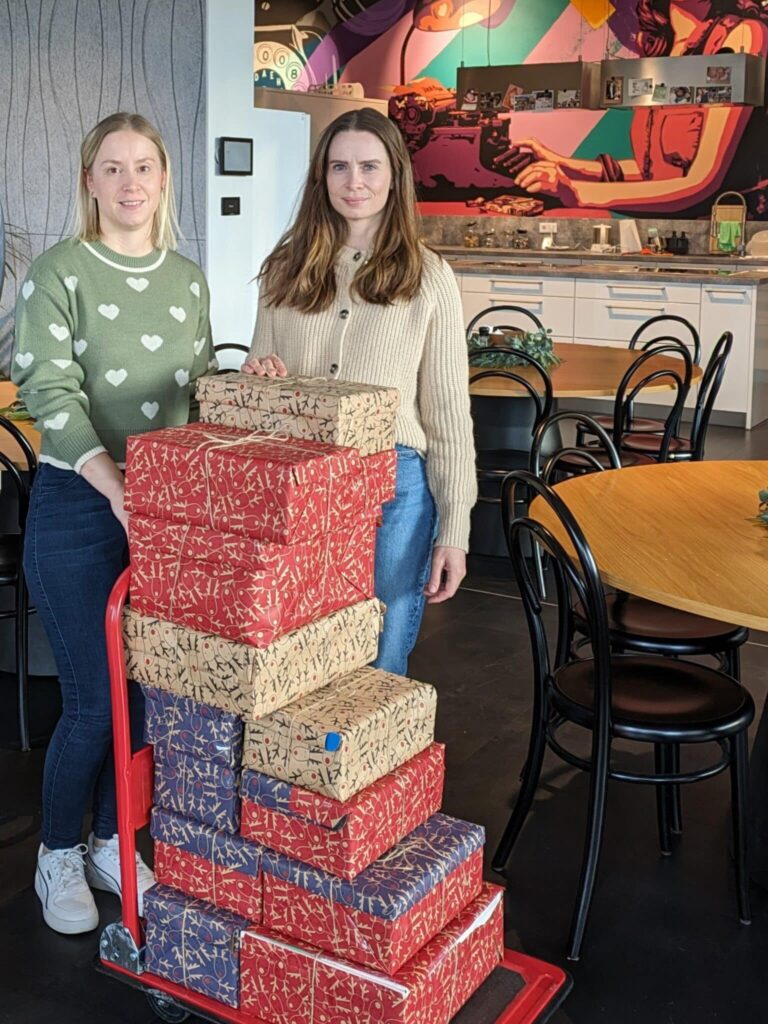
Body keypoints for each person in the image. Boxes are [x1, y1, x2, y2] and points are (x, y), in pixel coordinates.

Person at [12, 112, 215, 935]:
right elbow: (48, 390)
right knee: (95, 703)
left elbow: (195, 393)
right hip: (77, 503)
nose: (130, 183)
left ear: (163, 180)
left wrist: (244, 382)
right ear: (89, 181)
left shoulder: (188, 279)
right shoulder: (59, 271)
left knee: (138, 698)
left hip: (158, 508)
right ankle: (56, 851)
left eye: (144, 167)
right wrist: (113, 484)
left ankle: (109, 841)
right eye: (113, 168)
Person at [242, 107, 476, 676]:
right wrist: (260, 376)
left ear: (395, 175)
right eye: (339, 167)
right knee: (299, 652)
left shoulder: (429, 277)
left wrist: (456, 529)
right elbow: (259, 382)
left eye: (369, 166)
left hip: (395, 486)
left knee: (380, 655)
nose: (355, 182)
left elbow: (448, 416)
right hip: (303, 481)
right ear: (321, 177)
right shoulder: (284, 269)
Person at [493, 0, 768, 217]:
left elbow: (701, 182)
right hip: (663, 241)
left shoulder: (741, 35)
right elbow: (651, 169)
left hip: (722, 240)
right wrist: (562, 163)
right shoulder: (661, 46)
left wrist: (574, 191)